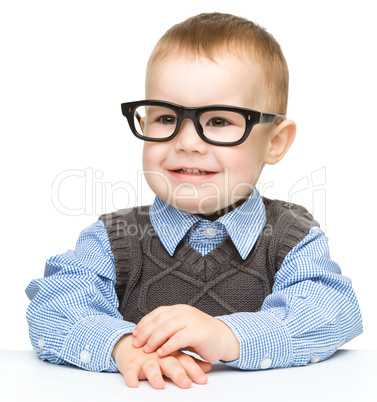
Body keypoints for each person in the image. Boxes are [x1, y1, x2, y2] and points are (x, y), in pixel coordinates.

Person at [25, 12, 363, 390]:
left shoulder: (291, 238)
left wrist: (226, 336)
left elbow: (332, 311)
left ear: (275, 142)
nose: (186, 142)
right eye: (167, 118)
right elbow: (53, 306)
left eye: (219, 121)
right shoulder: (114, 238)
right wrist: (121, 346)